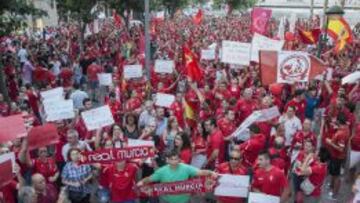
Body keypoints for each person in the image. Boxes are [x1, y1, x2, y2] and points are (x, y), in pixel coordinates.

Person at [136, 150, 218, 203]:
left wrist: (210, 172)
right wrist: (141, 182)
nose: (175, 161)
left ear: (179, 159)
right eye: (172, 159)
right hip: (167, 201)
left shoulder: (185, 167)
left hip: (185, 201)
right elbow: (150, 179)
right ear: (167, 160)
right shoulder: (161, 171)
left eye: (176, 159)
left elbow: (200, 172)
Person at [326, 112, 350, 199]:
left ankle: (334, 194)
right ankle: (331, 185)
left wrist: (330, 142)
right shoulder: (344, 127)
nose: (335, 120)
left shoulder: (342, 134)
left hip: (338, 157)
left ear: (339, 121)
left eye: (336, 120)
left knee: (337, 176)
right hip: (335, 156)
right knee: (334, 172)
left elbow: (341, 149)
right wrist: (337, 127)